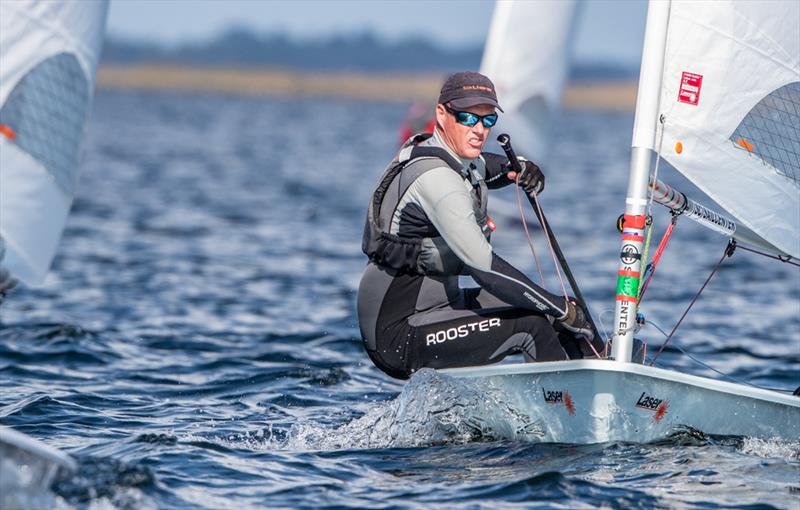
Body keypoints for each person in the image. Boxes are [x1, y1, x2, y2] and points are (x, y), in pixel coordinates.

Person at [358, 71, 598, 380]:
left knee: (547, 313)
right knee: (536, 324)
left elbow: (489, 166)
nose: (479, 130)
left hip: (439, 307)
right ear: (442, 115)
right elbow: (484, 268)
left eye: (487, 120)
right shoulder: (437, 180)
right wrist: (562, 310)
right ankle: (560, 416)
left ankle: (596, 378)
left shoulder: (450, 156)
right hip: (397, 334)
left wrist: (520, 168)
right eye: (468, 119)